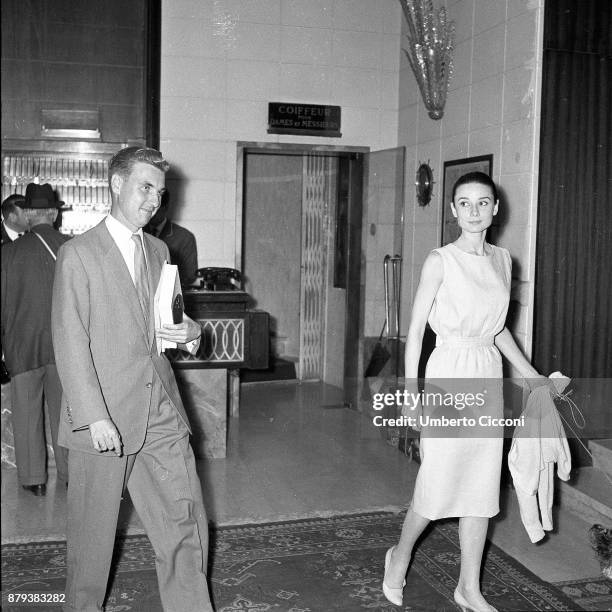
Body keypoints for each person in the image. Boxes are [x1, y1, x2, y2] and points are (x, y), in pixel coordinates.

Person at [51, 147, 213, 612]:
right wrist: (93, 417)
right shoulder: (77, 255)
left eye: (160, 193)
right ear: (116, 184)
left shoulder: (161, 250)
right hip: (104, 418)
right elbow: (69, 339)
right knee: (92, 543)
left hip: (159, 409)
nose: (153, 201)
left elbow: (171, 325)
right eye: (145, 188)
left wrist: (192, 333)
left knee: (185, 523)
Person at [382, 172, 547, 612]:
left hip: (487, 373)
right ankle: (398, 558)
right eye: (464, 203)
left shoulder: (503, 260)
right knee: (437, 482)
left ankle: (468, 588)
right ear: (453, 210)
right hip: (449, 371)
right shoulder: (440, 260)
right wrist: (411, 393)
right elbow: (416, 332)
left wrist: (532, 375)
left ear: (496, 209)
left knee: (481, 486)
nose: (474, 211)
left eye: (483, 202)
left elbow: (498, 330)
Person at [1, 183, 69, 495]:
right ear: (54, 214)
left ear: (27, 214)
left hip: (22, 346)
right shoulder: (72, 248)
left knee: (27, 414)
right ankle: (70, 475)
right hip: (65, 348)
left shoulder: (9, 253)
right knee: (65, 415)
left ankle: (34, 481)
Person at [145, 189, 198, 285]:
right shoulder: (138, 233)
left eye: (156, 208)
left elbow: (190, 276)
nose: (151, 213)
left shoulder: (185, 238)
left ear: (165, 208)